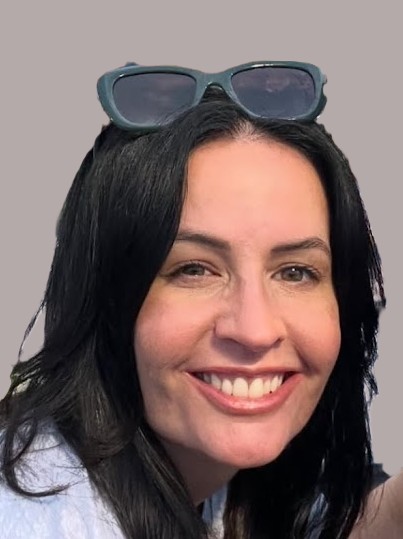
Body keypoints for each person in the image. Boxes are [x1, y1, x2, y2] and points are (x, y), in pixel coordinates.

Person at [0, 61, 401, 538]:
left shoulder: (200, 473)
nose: (255, 330)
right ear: (105, 298)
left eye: (295, 272)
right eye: (194, 269)